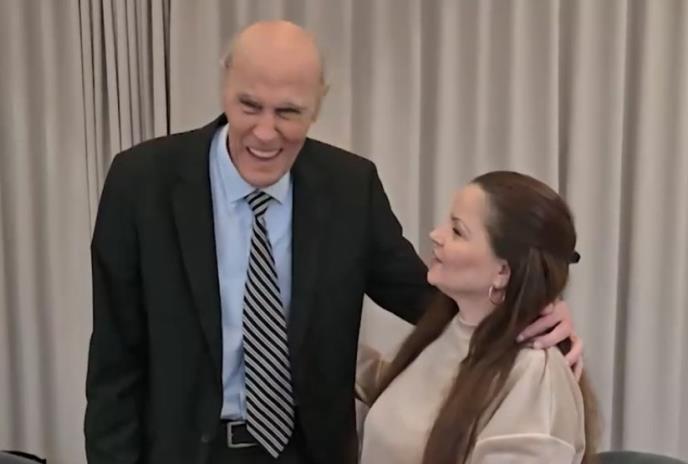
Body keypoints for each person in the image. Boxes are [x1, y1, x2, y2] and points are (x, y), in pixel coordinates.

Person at [84, 21, 582, 464]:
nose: (265, 133)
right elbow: (115, 361)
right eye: (249, 106)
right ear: (224, 85)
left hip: (310, 450)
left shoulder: (349, 187)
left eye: (288, 112)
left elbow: (425, 297)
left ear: (319, 104)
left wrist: (529, 307)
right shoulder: (141, 183)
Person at [356, 171, 599, 464]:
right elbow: (398, 394)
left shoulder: (533, 374)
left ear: (503, 271)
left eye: (457, 231)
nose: (436, 235)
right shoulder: (446, 331)